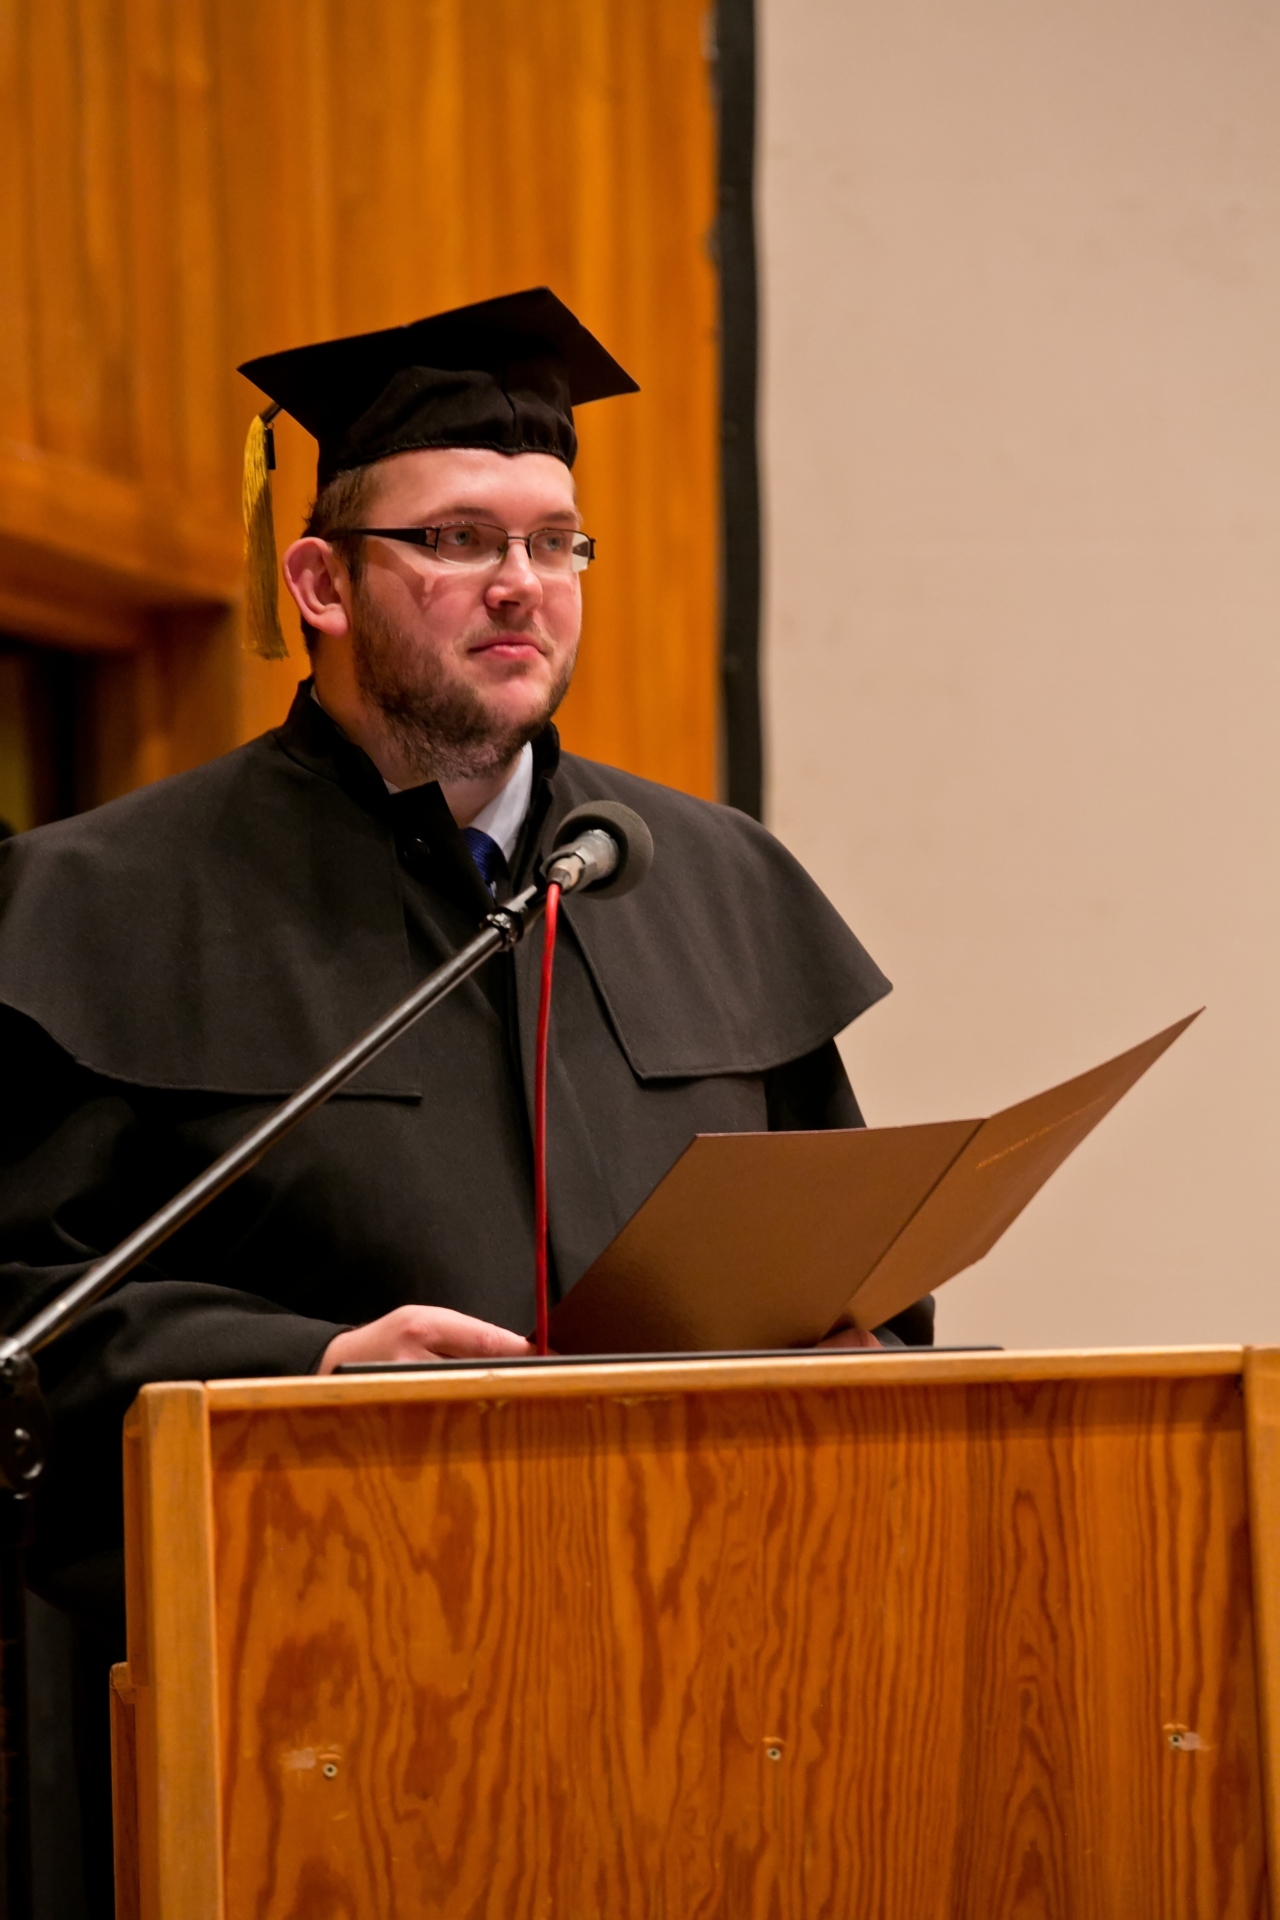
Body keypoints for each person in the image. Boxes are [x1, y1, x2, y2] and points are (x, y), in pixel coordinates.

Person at [0, 288, 927, 1897]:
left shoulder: (712, 879)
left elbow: (860, 1265)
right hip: (308, 1687)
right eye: (457, 540)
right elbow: (25, 1307)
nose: (522, 584)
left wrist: (859, 1350)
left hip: (698, 1669)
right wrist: (302, 1366)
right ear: (321, 584)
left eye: (558, 543)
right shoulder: (102, 901)